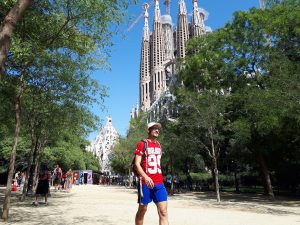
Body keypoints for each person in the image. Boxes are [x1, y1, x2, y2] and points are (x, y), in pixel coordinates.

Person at [134, 122, 169, 225]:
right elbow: (137, 164)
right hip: (145, 183)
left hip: (159, 183)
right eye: (154, 128)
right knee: (143, 210)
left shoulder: (159, 145)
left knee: (163, 211)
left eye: (158, 129)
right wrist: (145, 177)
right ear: (148, 130)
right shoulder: (142, 144)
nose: (157, 130)